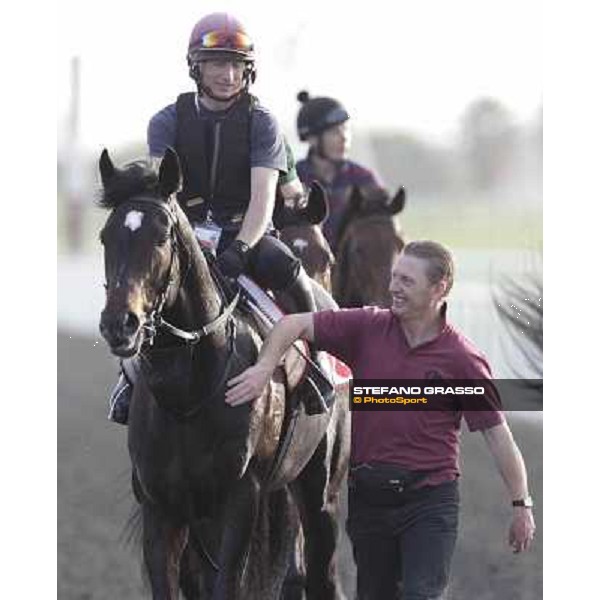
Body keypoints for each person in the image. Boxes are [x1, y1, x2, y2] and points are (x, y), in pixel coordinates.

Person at [225, 240, 536, 600]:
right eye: (394, 277)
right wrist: (264, 368)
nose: (393, 288)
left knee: (422, 594)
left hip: (430, 502)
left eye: (406, 281)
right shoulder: (367, 327)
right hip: (370, 502)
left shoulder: (463, 360)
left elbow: (498, 437)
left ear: (439, 288)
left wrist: (521, 505)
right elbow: (293, 324)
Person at [107, 12, 333, 424]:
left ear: (249, 70)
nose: (228, 75)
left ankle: (316, 370)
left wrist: (243, 248)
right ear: (196, 67)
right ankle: (128, 379)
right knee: (140, 284)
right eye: (216, 64)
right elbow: (163, 189)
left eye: (236, 65)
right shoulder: (166, 120)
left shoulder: (262, 122)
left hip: (243, 231)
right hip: (184, 233)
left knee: (295, 277)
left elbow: (264, 197)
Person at [295, 91, 386, 249]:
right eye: (334, 132)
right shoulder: (293, 180)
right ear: (312, 138)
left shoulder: (364, 179)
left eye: (345, 129)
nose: (344, 137)